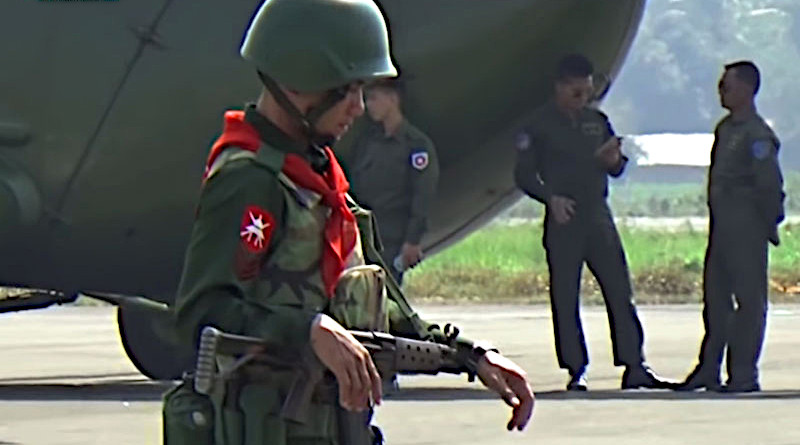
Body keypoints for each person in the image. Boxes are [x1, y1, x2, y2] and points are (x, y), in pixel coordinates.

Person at [170, 1, 534, 444]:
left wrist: (472, 357)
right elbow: (202, 312)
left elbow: (378, 311)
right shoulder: (249, 180)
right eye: (346, 91)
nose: (358, 108)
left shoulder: (322, 182)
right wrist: (307, 331)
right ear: (298, 83)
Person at [513, 54, 673, 392]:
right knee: (566, 295)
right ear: (559, 87)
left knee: (619, 289)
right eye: (575, 91)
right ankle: (576, 367)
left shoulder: (596, 121)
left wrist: (615, 161)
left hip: (597, 214)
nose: (581, 97)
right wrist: (550, 199)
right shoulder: (538, 126)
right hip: (564, 216)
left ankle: (634, 363)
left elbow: (615, 165)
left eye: (586, 91)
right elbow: (524, 174)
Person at [678, 61, 785, 393]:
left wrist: (767, 223)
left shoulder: (758, 135)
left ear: (748, 89)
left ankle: (742, 373)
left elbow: (770, 185)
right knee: (716, 301)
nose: (721, 91)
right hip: (722, 227)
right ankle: (709, 368)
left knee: (749, 303)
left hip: (746, 228)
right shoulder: (725, 129)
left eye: (728, 85)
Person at [348, 78, 439, 285]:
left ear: (392, 99)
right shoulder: (367, 142)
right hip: (363, 237)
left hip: (391, 240)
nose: (368, 106)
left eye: (373, 98)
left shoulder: (415, 145)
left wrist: (412, 241)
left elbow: (422, 196)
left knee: (386, 299)